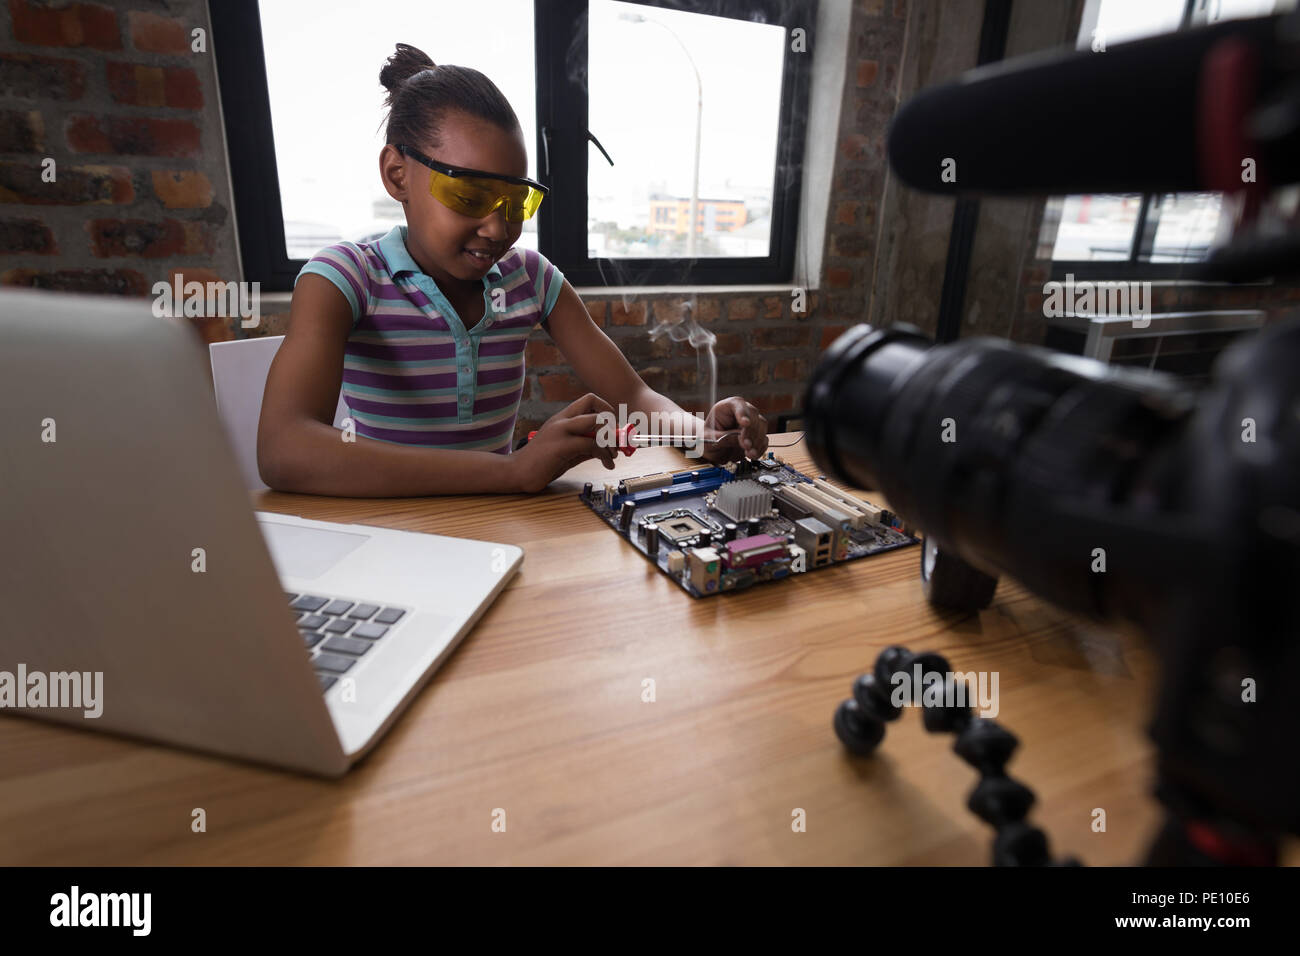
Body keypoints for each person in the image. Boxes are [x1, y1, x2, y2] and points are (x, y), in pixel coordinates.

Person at [258, 43, 768, 497]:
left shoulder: (531, 279)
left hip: (499, 530)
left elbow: (632, 395)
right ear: (397, 175)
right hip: (390, 529)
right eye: (471, 194)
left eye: (515, 202)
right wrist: (511, 472)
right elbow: (286, 449)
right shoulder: (344, 278)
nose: (497, 228)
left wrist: (701, 433)